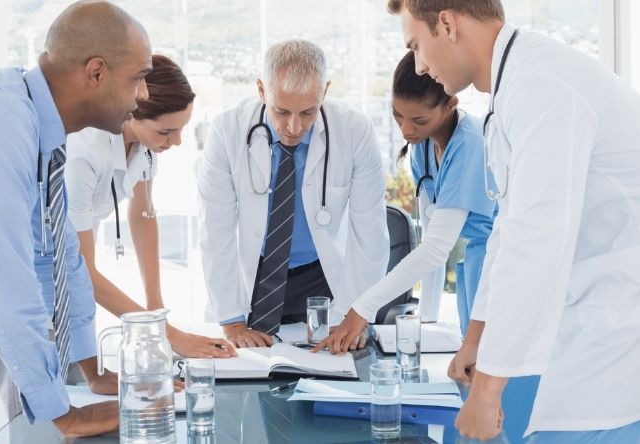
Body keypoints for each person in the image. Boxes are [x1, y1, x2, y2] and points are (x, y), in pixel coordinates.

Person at [388, 0, 640, 442]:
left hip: (616, 327)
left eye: (416, 46)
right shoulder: (515, 88)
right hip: (595, 320)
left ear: (446, 23)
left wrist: (486, 393)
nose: (420, 65)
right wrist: (476, 340)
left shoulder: (542, 86)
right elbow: (509, 227)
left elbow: (536, 241)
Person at [0, 1, 153, 439]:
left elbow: (57, 257)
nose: (144, 95)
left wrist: (89, 370)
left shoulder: (36, 128)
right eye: (139, 77)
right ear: (95, 72)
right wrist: (63, 413)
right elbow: (7, 282)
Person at [198, 39, 389, 349]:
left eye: (308, 112)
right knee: (259, 379)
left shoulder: (355, 130)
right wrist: (232, 321)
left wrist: (356, 313)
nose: (294, 126)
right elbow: (215, 232)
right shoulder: (226, 131)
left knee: (328, 376)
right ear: (261, 90)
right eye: (282, 111)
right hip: (258, 278)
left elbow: (370, 232)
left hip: (323, 279)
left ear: (325, 91)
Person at [313, 50, 496, 352]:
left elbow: (436, 250)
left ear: (451, 104)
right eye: (398, 115)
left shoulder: (469, 146)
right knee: (472, 366)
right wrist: (427, 321)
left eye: (419, 119)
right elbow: (431, 234)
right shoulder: (421, 149)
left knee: (496, 372)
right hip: (478, 263)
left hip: (502, 264)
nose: (406, 129)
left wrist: (361, 309)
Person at [65, 54, 235, 358]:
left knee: (85, 384)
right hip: (34, 277)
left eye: (181, 129)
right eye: (166, 132)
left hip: (73, 275)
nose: (177, 142)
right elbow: (82, 270)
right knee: (42, 392)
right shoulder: (84, 154)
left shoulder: (145, 146)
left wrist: (156, 306)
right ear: (131, 111)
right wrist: (163, 332)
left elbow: (143, 213)